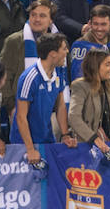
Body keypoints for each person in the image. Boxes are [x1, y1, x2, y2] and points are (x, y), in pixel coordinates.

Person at [12, 32, 72, 164]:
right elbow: (21, 117)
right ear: (52, 54)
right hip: (24, 143)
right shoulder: (30, 77)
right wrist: (30, 149)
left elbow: (60, 104)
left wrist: (65, 134)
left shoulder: (60, 71)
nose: (67, 51)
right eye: (63, 48)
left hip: (47, 138)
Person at [69, 48, 110, 154]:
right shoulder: (80, 86)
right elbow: (73, 117)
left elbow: (99, 114)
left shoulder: (108, 88)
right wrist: (94, 138)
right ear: (95, 67)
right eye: (107, 64)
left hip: (108, 146)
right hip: (85, 148)